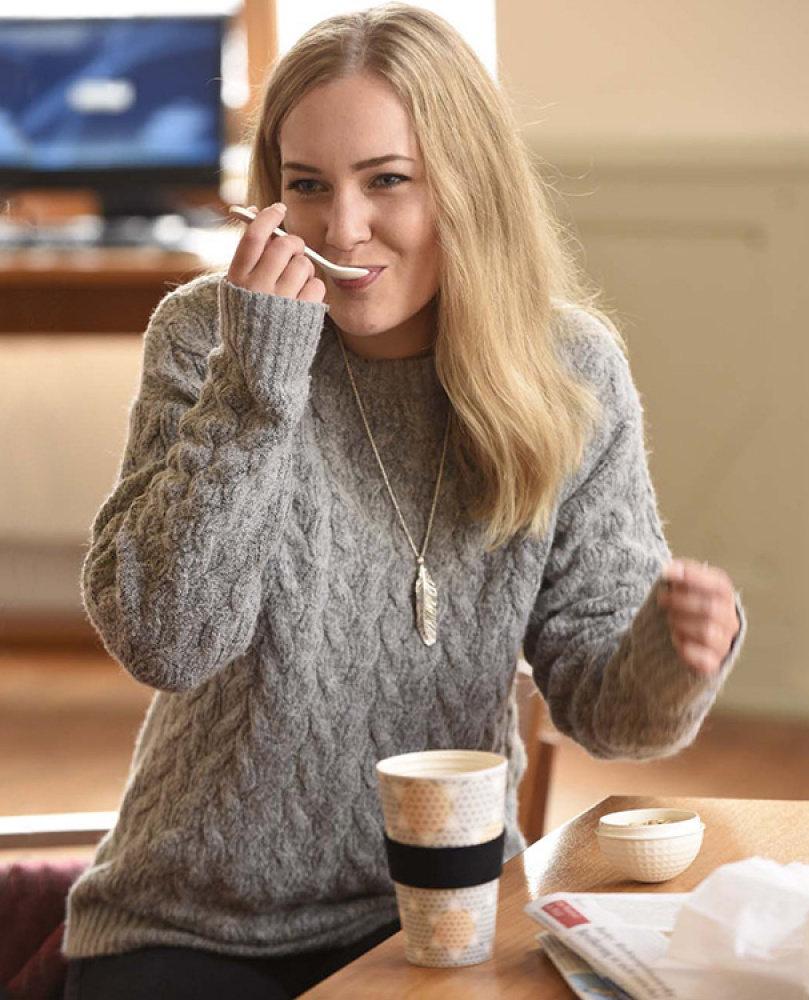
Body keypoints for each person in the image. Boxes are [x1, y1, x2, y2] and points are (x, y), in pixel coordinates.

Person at [61, 4, 746, 998]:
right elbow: (167, 640)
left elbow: (608, 711)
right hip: (193, 925)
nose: (342, 228)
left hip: (455, 909)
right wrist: (255, 389)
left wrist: (669, 656)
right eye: (306, 186)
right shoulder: (205, 338)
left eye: (389, 180)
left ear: (465, 187)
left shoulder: (569, 372)